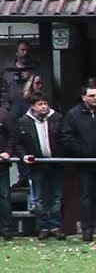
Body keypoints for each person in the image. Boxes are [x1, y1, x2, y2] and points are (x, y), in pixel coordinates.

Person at [60, 83, 96, 241]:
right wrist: (82, 151)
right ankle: (87, 229)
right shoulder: (73, 114)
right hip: (85, 163)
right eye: (92, 96)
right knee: (86, 197)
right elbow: (67, 137)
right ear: (84, 97)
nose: (95, 98)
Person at [16, 94, 64, 239]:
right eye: (39, 104)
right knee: (38, 197)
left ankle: (56, 226)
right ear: (33, 106)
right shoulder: (24, 122)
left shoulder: (57, 118)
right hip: (36, 164)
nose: (43, 107)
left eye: (45, 104)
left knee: (56, 196)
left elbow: (64, 138)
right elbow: (19, 143)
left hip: (55, 162)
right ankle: (43, 226)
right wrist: (24, 156)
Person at [0, 111, 14, 239]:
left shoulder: (4, 115)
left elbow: (12, 136)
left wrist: (8, 151)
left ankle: (6, 229)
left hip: (1, 164)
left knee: (4, 197)